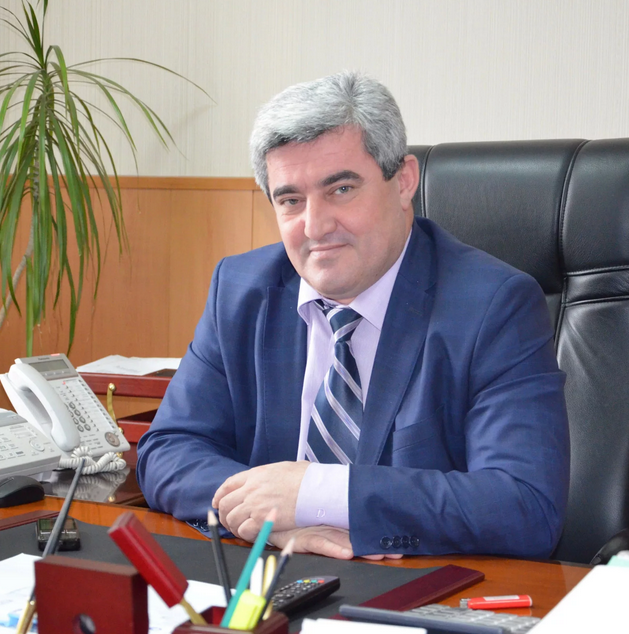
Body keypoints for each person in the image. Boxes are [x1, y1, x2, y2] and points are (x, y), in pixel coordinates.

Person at [136, 71, 570, 560]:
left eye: (341, 189)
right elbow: (167, 450)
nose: (315, 226)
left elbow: (524, 505)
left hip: (414, 583)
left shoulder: (494, 306)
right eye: (290, 200)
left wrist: (313, 493)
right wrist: (268, 522)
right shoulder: (240, 290)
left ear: (403, 181)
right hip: (270, 578)